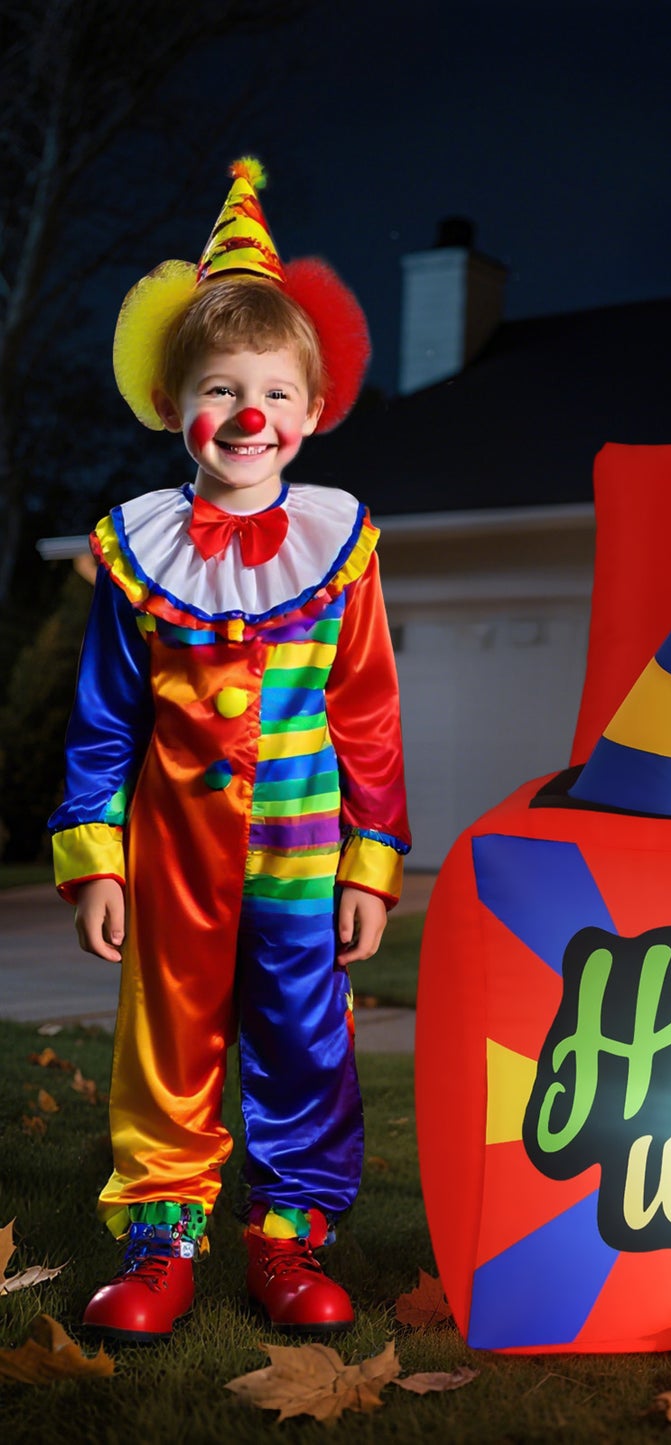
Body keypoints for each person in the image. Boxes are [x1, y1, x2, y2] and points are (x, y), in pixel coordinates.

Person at [48, 159, 409, 1344]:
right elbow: (106, 710)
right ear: (173, 404)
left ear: (308, 409)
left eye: (270, 390)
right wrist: (94, 853)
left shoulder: (340, 545)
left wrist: (370, 863)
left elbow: (367, 709)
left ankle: (287, 1234)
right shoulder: (137, 549)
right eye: (219, 388)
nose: (247, 415)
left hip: (304, 851)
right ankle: (162, 1236)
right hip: (171, 848)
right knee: (169, 1038)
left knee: (306, 1037)